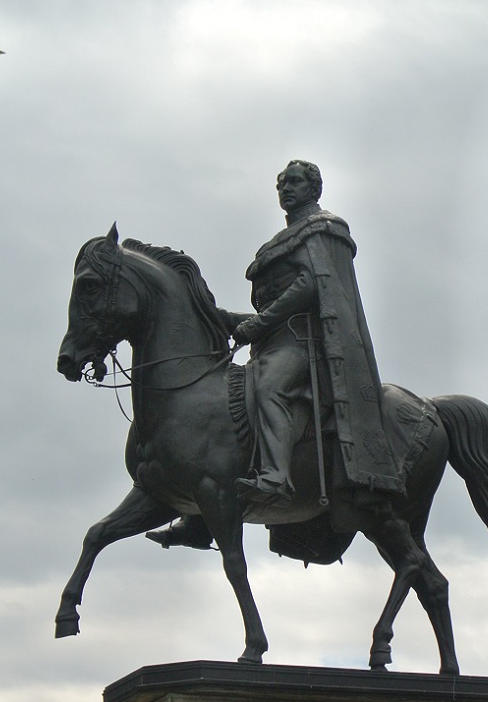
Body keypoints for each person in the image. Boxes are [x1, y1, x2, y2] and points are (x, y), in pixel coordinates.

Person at [147, 160, 403, 547]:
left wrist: (259, 324)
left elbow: (309, 286)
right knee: (215, 405)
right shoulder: (278, 243)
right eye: (281, 183)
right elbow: (273, 308)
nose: (286, 188)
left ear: (314, 188)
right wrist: (224, 318)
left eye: (295, 182)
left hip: (305, 345)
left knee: (270, 388)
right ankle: (197, 518)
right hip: (270, 344)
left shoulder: (324, 228)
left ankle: (276, 475)